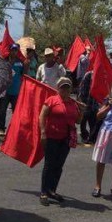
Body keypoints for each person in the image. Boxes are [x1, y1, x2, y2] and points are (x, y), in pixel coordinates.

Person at [38, 77, 81, 206]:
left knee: (59, 166)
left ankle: (52, 190)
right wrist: (43, 132)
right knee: (49, 164)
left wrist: (82, 112)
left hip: (66, 138)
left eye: (68, 87)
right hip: (52, 137)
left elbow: (78, 121)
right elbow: (42, 116)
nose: (65, 89)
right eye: (63, 87)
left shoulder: (73, 103)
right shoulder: (52, 100)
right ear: (58, 88)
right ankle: (44, 192)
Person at [0, 44, 24, 133]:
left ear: (18, 51)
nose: (14, 52)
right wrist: (9, 64)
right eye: (12, 50)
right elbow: (1, 72)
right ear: (10, 50)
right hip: (5, 91)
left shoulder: (21, 62)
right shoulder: (4, 60)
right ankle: (1, 128)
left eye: (16, 50)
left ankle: (14, 128)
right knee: (2, 111)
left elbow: (23, 74)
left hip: (16, 91)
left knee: (16, 112)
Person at [78, 69, 99, 144]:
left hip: (95, 103)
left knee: (93, 121)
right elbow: (82, 90)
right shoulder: (88, 75)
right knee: (83, 121)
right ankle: (84, 136)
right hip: (86, 101)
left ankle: (91, 137)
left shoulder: (101, 76)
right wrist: (82, 102)